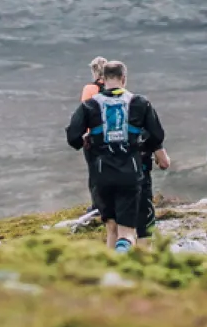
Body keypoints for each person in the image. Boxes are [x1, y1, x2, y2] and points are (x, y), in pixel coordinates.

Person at [66, 61, 168, 253]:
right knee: (127, 233)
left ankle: (112, 272)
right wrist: (139, 147)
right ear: (124, 78)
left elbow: (73, 137)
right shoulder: (140, 103)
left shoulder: (89, 105)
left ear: (103, 79)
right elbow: (157, 136)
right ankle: (123, 259)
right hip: (130, 172)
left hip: (101, 174)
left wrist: (85, 142)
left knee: (111, 228)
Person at [78, 57, 108, 212]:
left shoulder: (89, 89)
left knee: (95, 173)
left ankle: (98, 206)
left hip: (94, 138)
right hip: (114, 137)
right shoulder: (115, 88)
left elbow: (84, 113)